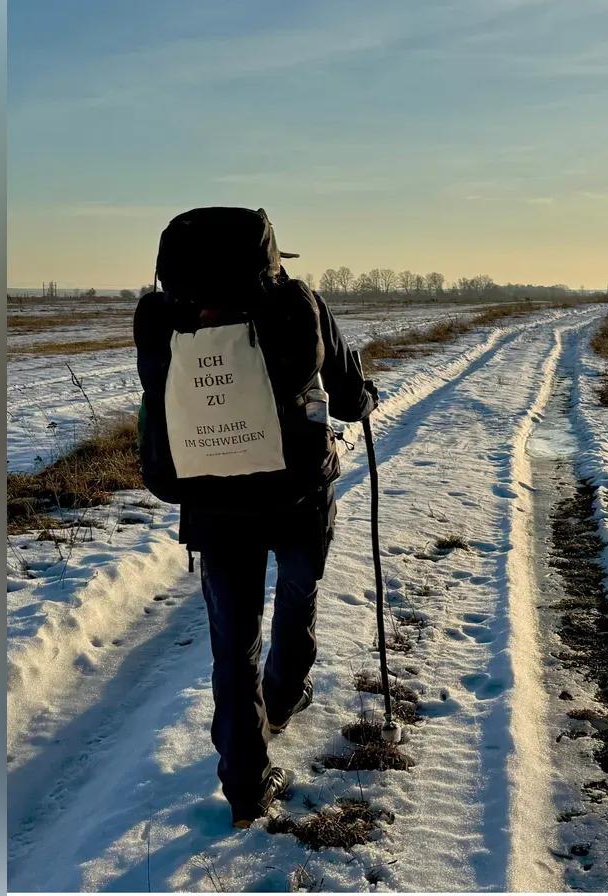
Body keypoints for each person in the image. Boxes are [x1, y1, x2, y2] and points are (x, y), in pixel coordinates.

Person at [133, 207, 376, 828]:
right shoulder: (300, 305)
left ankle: (244, 786)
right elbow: (347, 395)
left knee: (231, 642)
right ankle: (288, 691)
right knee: (298, 591)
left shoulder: (165, 321)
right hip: (296, 495)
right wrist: (362, 398)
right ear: (269, 258)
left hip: (213, 507)